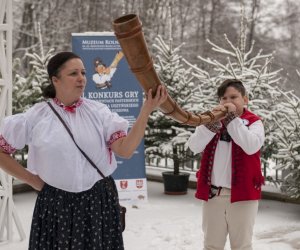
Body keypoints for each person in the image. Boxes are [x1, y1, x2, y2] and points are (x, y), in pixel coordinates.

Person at [0, 51, 167, 249]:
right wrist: (32, 180)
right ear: (55, 80)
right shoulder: (36, 117)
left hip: (98, 201)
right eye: (73, 74)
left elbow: (125, 150)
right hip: (56, 204)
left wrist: (145, 111)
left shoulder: (98, 112)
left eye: (83, 73)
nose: (81, 79)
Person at [187, 79, 265, 250]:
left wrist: (232, 119)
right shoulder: (211, 120)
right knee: (211, 245)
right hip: (214, 195)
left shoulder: (254, 122)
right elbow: (194, 146)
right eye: (223, 98)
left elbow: (251, 146)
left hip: (243, 197)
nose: (228, 102)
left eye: (233, 97)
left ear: (245, 100)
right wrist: (211, 125)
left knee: (242, 246)